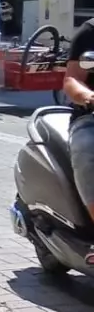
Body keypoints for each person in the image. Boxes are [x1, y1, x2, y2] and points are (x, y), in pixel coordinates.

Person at [63, 19, 94, 216]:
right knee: (87, 150)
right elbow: (72, 79)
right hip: (90, 116)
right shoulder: (90, 31)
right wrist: (89, 97)